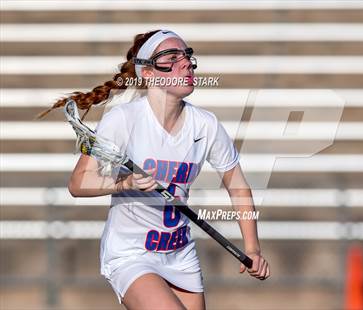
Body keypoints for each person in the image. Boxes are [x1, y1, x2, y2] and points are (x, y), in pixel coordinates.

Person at [39, 29, 269, 310]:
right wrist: (124, 184)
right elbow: (78, 183)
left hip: (180, 252)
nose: (185, 63)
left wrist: (252, 247)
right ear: (147, 73)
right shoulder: (123, 119)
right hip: (131, 254)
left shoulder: (205, 125)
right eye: (171, 57)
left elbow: (238, 186)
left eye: (187, 55)